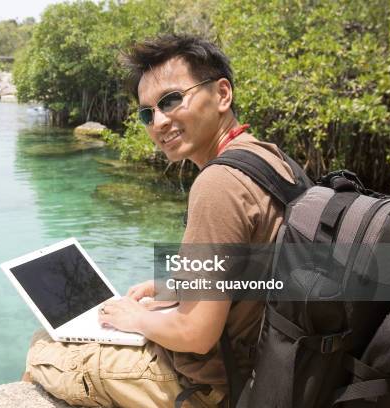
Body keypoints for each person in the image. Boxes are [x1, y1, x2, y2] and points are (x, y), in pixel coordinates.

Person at [22, 34, 296, 408]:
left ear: (222, 94)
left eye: (171, 100)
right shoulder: (270, 159)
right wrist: (177, 285)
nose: (159, 122)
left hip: (211, 386)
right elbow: (267, 266)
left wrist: (135, 319)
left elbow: (196, 334)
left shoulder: (218, 183)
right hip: (265, 364)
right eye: (147, 113)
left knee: (44, 344)